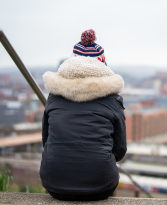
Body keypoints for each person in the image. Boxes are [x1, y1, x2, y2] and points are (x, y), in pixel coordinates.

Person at [40, 29, 126, 201]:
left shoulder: (54, 97)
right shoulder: (112, 100)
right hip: (101, 185)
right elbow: (120, 149)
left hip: (54, 183)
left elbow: (46, 140)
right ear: (102, 66)